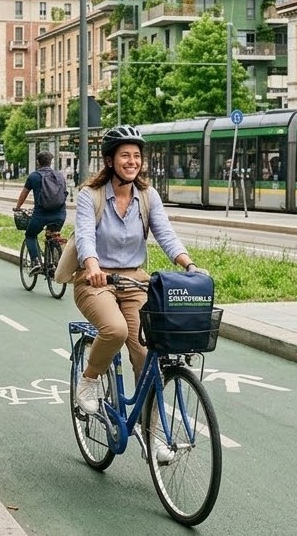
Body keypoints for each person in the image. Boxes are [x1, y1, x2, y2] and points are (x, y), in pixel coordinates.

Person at [71, 125, 204, 418]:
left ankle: (153, 433)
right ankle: (89, 380)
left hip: (135, 282)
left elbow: (165, 234)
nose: (132, 161)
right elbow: (84, 237)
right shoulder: (89, 195)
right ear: (109, 160)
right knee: (115, 330)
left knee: (147, 355)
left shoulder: (147, 196)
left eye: (136, 156)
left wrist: (190, 265)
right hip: (96, 282)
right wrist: (92, 266)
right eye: (124, 156)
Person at [12, 151, 68, 270]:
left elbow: (24, 194)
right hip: (60, 214)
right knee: (52, 234)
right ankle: (55, 262)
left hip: (41, 215)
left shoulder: (34, 176)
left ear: (38, 162)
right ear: (50, 162)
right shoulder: (59, 176)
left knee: (30, 235)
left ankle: (36, 261)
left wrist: (17, 207)